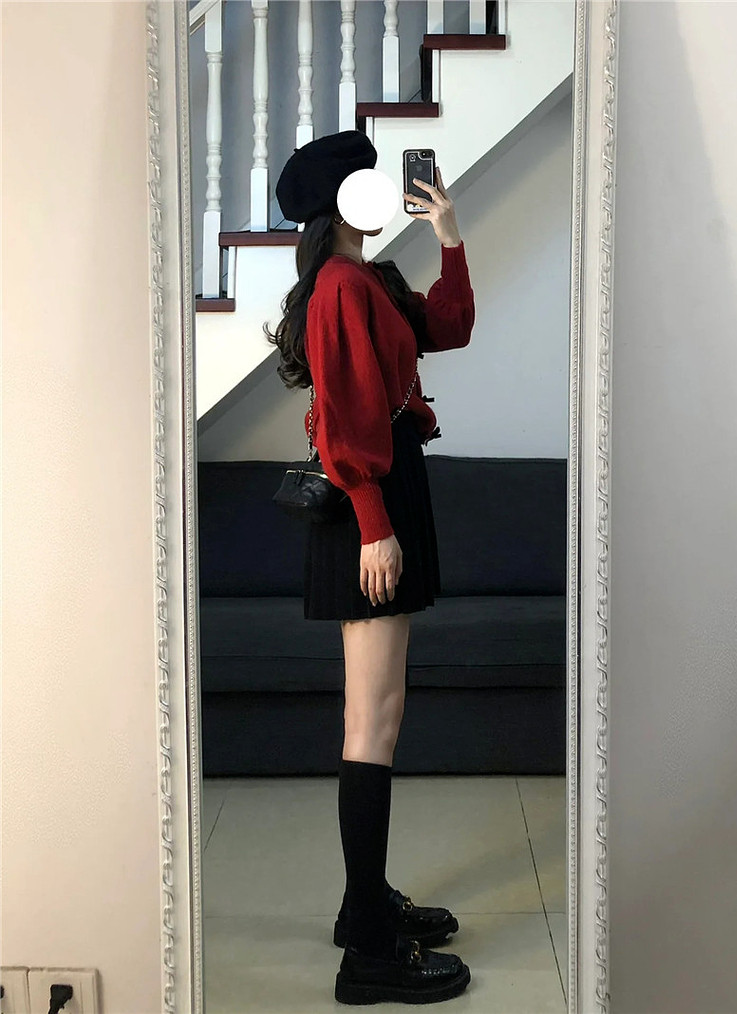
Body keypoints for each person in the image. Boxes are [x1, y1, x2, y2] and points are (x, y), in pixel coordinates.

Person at [268, 130, 475, 1005]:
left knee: (375, 715)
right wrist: (375, 528)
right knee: (373, 721)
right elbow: (348, 419)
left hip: (387, 495)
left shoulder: (370, 279)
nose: (385, 190)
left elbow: (451, 326)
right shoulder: (338, 288)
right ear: (341, 203)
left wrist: (449, 236)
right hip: (372, 508)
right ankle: (370, 956)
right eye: (368, 181)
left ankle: (365, 908)